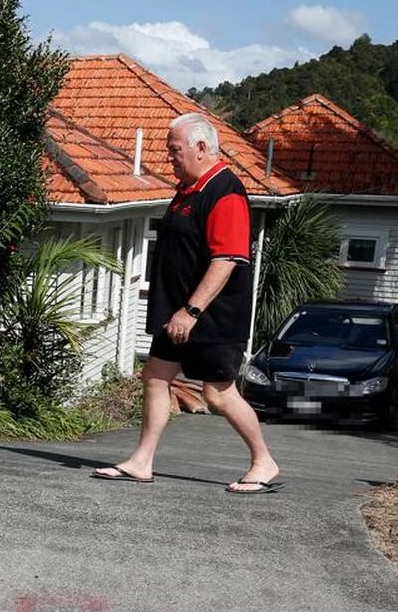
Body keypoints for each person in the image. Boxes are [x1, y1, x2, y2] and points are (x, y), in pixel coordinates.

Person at [92, 112, 282, 494]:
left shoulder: (225, 192)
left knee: (217, 393)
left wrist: (191, 311)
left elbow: (226, 260)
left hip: (210, 315)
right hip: (177, 313)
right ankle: (142, 461)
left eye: (174, 149)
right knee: (156, 378)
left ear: (201, 147)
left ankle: (264, 461)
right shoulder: (188, 189)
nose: (169, 157)